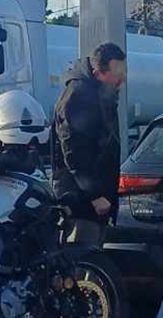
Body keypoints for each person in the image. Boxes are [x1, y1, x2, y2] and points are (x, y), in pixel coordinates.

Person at [52, 42, 127, 221]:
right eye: (117, 74)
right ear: (97, 74)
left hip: (97, 196)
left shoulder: (101, 93)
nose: (122, 79)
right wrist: (94, 195)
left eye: (123, 72)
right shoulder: (79, 96)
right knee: (82, 245)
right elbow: (74, 152)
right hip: (81, 200)